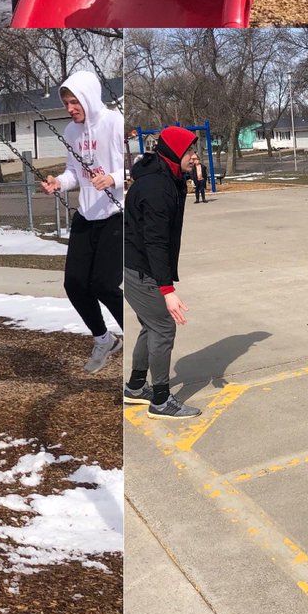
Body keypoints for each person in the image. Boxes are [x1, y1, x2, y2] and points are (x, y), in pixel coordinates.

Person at [40, 71, 125, 373]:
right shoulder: (71, 132)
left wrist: (113, 178)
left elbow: (134, 165)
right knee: (74, 284)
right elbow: (73, 172)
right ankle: (104, 339)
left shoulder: (115, 122)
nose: (70, 108)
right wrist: (58, 184)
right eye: (66, 103)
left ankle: (139, 330)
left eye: (74, 101)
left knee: (104, 284)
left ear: (88, 97)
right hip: (86, 216)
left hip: (117, 215)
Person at [123, 125, 200, 418]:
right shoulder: (157, 186)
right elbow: (155, 241)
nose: (195, 157)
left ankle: (135, 387)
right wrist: (167, 290)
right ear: (174, 152)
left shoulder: (168, 176)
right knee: (163, 327)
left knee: (150, 325)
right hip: (141, 268)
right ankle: (160, 400)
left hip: (138, 263)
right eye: (190, 151)